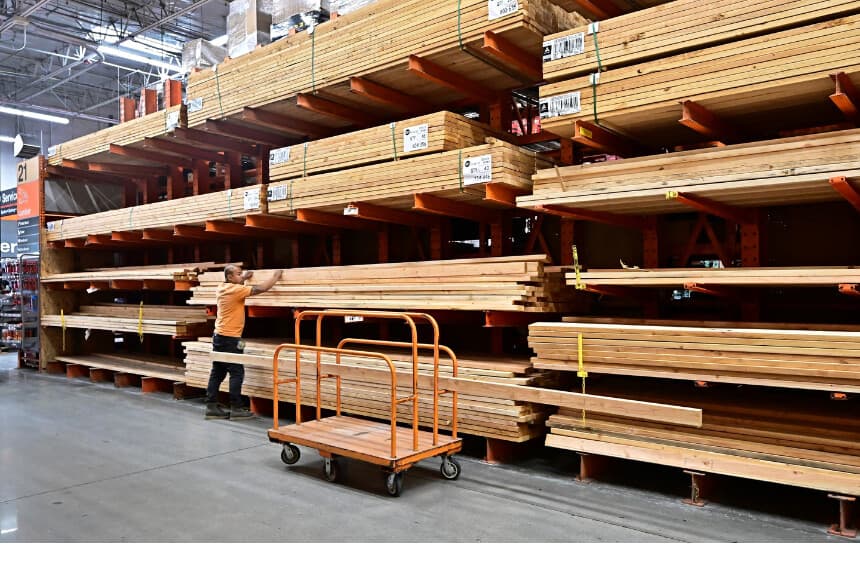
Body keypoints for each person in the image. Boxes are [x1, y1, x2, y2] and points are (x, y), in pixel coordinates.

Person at [205, 264, 283, 420]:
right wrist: (276, 276)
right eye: (238, 274)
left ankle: (211, 406)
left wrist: (244, 278)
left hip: (219, 336)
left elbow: (238, 284)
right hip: (231, 339)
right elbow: (261, 288)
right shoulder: (236, 290)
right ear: (230, 277)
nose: (241, 276)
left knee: (218, 371)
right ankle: (237, 408)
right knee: (237, 372)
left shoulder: (222, 287)